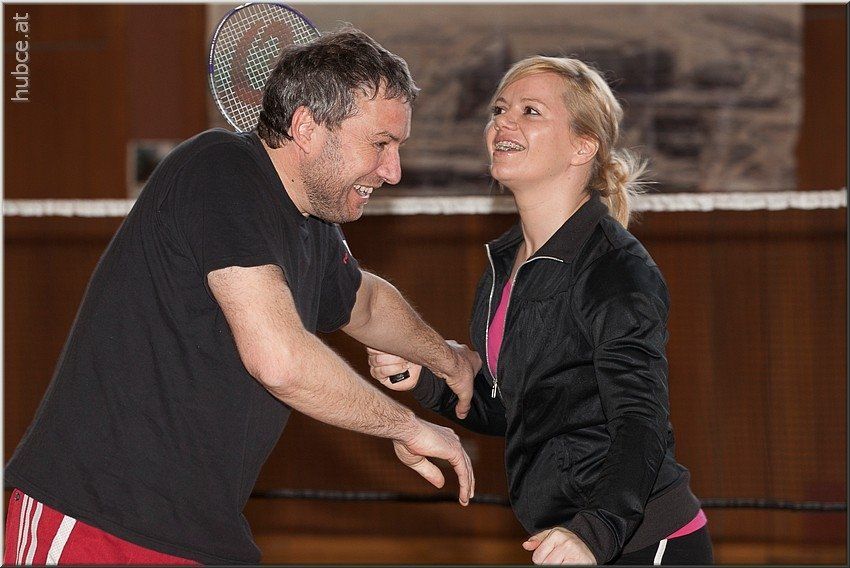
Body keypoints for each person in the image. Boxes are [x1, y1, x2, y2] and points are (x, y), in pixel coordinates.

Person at [4, 29, 481, 565]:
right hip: (97, 519)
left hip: (199, 533)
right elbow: (279, 360)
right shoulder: (221, 170)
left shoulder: (311, 225)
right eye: (380, 144)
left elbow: (365, 302)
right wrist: (407, 427)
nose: (393, 171)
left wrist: (448, 361)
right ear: (306, 127)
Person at [367, 56, 713, 565]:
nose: (503, 123)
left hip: (641, 543)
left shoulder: (615, 270)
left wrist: (594, 533)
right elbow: (516, 411)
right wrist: (425, 378)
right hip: (564, 537)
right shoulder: (506, 264)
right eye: (499, 110)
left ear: (583, 146)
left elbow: (641, 423)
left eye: (530, 111)